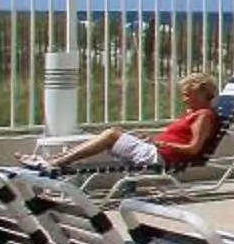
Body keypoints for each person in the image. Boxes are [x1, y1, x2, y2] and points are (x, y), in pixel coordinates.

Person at [22, 71, 222, 174]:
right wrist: (154, 141)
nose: (184, 99)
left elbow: (193, 149)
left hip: (160, 157)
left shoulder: (203, 116)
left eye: (188, 94)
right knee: (113, 133)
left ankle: (55, 162)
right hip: (155, 151)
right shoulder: (194, 113)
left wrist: (162, 143)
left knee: (111, 134)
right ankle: (53, 160)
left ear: (204, 94)